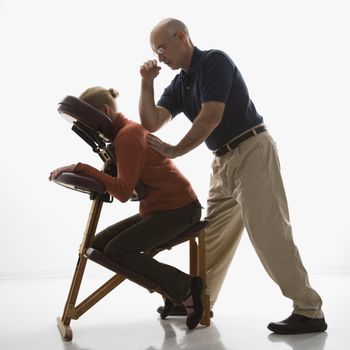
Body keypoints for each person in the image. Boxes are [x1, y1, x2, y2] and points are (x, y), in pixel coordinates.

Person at [139, 18, 327, 334]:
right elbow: (151, 123)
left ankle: (309, 311)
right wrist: (146, 82)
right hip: (223, 161)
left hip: (252, 150)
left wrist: (174, 151)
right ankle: (197, 302)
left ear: (181, 37)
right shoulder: (179, 83)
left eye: (161, 48)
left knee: (270, 234)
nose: (159, 57)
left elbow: (211, 117)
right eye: (154, 52)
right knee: (209, 237)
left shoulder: (214, 61)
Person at [49, 86, 205, 330]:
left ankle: (186, 288)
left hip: (180, 210)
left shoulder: (128, 136)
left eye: (89, 123)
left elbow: (122, 192)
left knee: (117, 251)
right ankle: (171, 289)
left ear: (104, 111)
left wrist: (80, 167)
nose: (89, 129)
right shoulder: (122, 135)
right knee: (98, 246)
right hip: (159, 209)